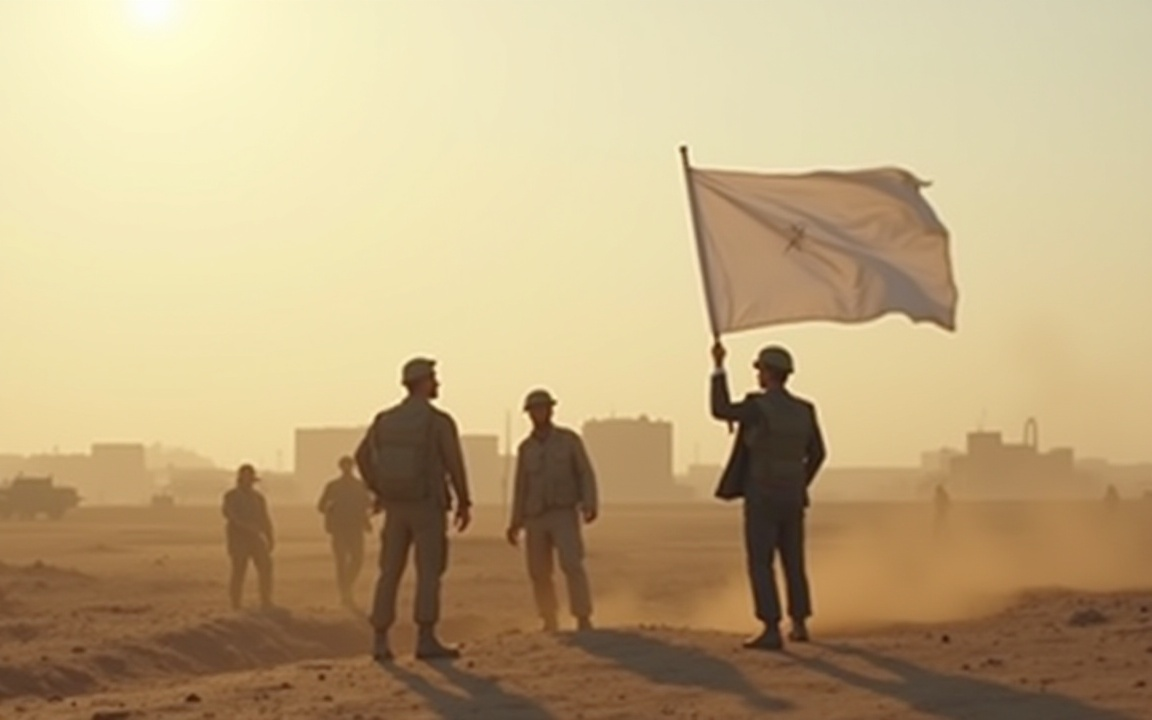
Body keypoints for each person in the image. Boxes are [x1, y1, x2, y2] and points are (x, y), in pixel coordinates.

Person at [710, 340, 826, 651]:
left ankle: (771, 627)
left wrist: (719, 367)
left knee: (761, 562)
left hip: (762, 495)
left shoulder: (758, 407)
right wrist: (800, 483)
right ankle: (799, 623)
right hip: (792, 497)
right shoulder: (804, 410)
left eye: (760, 370)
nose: (758, 375)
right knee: (794, 561)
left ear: (768, 373)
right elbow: (818, 453)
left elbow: (720, 410)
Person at [355, 356, 472, 661]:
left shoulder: (385, 419)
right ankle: (426, 639)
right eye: (433, 378)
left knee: (388, 572)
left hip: (395, 507)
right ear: (422, 383)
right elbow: (454, 463)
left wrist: (379, 489)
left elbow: (362, 457)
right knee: (429, 572)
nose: (437, 384)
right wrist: (464, 501)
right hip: (428, 507)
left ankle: (380, 641)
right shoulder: (438, 421)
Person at [505, 389, 598, 633]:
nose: (538, 414)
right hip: (535, 516)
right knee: (539, 571)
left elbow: (585, 472)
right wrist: (515, 522)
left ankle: (582, 616)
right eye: (534, 410)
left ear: (550, 410)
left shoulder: (568, 441)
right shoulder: (526, 448)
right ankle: (548, 618)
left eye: (542, 408)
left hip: (563, 512)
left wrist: (589, 502)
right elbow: (520, 487)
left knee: (572, 564)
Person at [317, 455, 375, 607]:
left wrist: (366, 519)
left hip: (355, 528)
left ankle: (346, 586)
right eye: (345, 466)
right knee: (341, 561)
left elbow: (367, 505)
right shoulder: (333, 486)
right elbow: (321, 506)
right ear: (340, 467)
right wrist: (331, 509)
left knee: (357, 559)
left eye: (349, 465)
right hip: (339, 529)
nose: (347, 469)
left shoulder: (359, 486)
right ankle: (345, 593)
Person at [221, 464, 275, 610]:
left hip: (256, 539)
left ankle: (266, 599)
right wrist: (247, 527)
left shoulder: (258, 498)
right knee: (239, 570)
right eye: (246, 478)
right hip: (238, 539)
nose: (249, 481)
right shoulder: (231, 496)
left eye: (251, 479)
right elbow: (230, 515)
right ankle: (236, 603)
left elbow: (265, 518)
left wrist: (270, 536)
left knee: (266, 567)